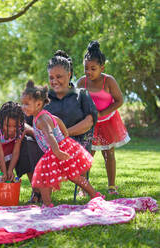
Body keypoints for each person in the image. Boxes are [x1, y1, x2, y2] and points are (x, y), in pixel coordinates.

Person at [21, 81, 103, 207]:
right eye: (23, 103)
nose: (23, 107)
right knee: (74, 176)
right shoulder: (44, 115)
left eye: (26, 104)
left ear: (38, 104)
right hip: (62, 146)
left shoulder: (41, 119)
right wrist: (65, 133)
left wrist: (57, 151)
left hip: (56, 150)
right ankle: (94, 195)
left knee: (43, 178)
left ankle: (47, 205)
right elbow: (57, 120)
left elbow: (49, 134)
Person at [77, 41, 130, 195]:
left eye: (93, 69)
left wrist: (103, 113)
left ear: (102, 68)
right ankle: (84, 187)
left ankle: (112, 186)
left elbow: (119, 100)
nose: (89, 72)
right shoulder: (82, 82)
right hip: (89, 124)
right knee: (87, 155)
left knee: (109, 154)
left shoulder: (109, 81)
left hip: (107, 121)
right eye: (86, 68)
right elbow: (76, 102)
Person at [0, 101, 43, 202]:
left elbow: (16, 151)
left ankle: (37, 191)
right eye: (8, 126)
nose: (11, 129)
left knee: (9, 167)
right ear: (2, 122)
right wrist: (4, 172)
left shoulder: (20, 128)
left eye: (14, 126)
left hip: (13, 143)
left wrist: (10, 170)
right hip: (0, 145)